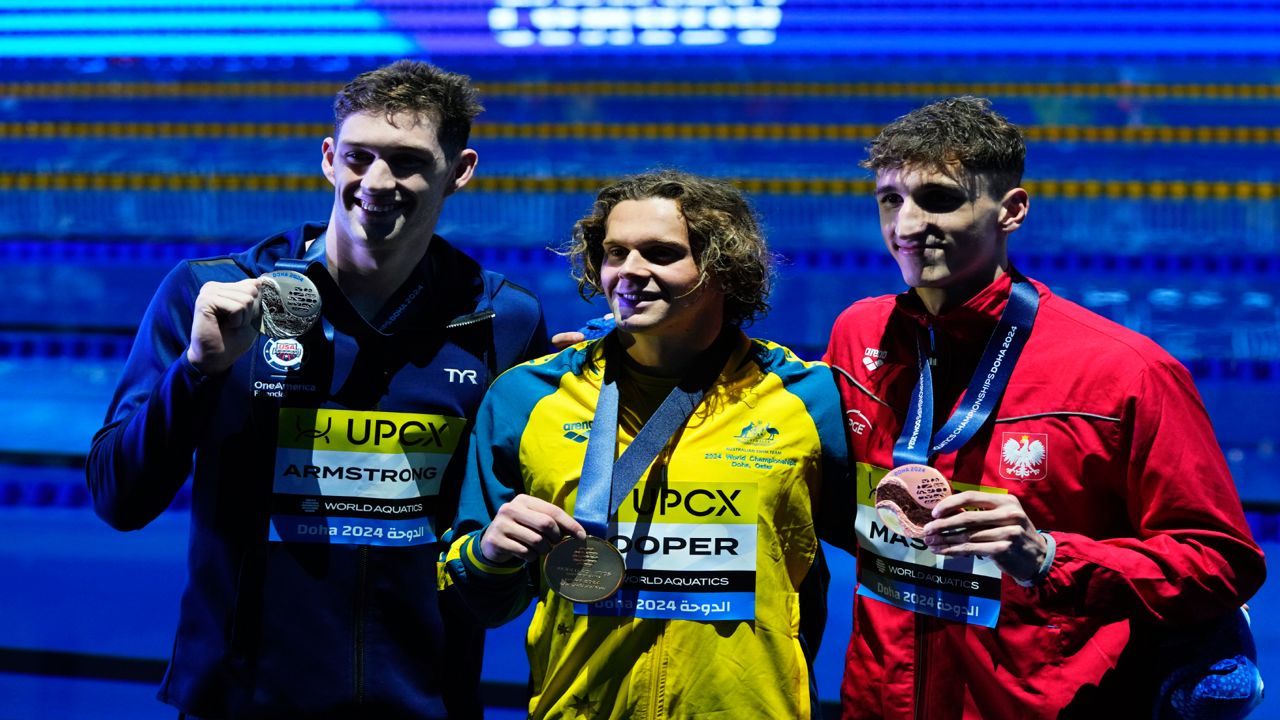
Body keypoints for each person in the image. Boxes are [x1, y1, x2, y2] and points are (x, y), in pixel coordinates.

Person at [86, 59, 546, 719]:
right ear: (330, 159)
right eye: (360, 157)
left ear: (461, 170)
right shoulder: (209, 295)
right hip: (240, 701)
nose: (378, 182)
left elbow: (498, 549)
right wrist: (197, 370)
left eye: (409, 161)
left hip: (425, 703)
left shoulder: (505, 320)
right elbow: (118, 497)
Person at [822, 96, 1266, 718]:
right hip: (880, 702)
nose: (907, 224)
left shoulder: (1123, 371)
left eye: (941, 199)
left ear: (1011, 211)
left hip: (1042, 705)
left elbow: (1219, 561)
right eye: (891, 199)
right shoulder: (860, 335)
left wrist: (1051, 558)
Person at [439, 170, 848, 719]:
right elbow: (478, 597)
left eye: (659, 253)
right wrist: (490, 555)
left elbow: (874, 551)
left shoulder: (807, 399)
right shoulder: (528, 396)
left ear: (722, 268)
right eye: (615, 253)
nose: (630, 271)